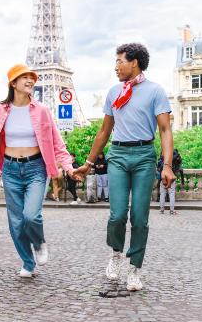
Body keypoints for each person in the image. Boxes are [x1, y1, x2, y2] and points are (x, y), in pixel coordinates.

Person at [74, 43, 174, 292]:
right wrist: (88, 163)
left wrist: (167, 165)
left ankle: (135, 268)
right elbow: (104, 131)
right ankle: (116, 253)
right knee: (117, 215)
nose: (116, 66)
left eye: (120, 61)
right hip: (117, 154)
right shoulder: (113, 93)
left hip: (143, 156)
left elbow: (164, 130)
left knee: (140, 218)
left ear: (135, 62)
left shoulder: (155, 91)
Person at [0, 64, 74, 277]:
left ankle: (38, 243)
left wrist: (68, 166)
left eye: (31, 78)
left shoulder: (42, 110)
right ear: (13, 83)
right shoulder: (0, 110)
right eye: (24, 77)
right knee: (16, 222)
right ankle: (28, 263)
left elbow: (56, 141)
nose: (30, 81)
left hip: (36, 168)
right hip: (10, 168)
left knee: (31, 216)